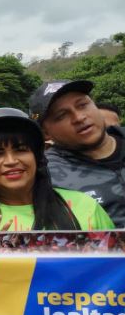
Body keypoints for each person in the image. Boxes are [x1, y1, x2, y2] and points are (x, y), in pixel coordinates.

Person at [0, 107, 114, 232]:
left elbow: (113, 266)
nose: (11, 161)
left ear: (37, 157)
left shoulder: (84, 206)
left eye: (21, 150)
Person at [29, 80, 125, 226]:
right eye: (61, 115)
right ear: (45, 133)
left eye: (82, 105)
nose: (79, 118)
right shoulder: (44, 176)